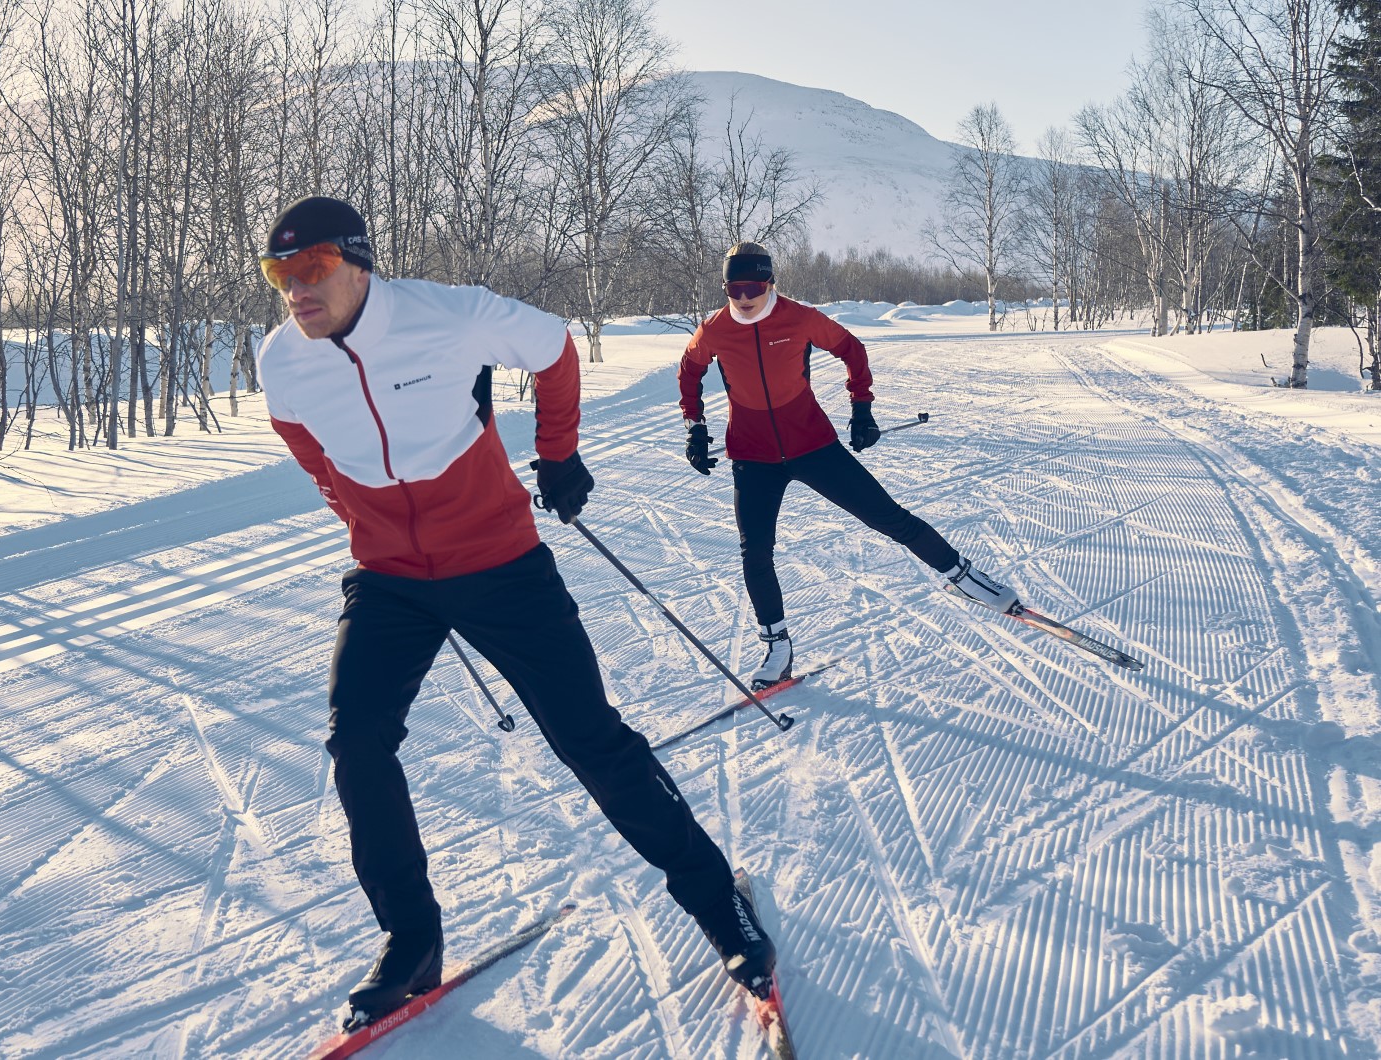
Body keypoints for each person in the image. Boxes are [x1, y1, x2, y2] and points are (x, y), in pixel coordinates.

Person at [257, 197, 775, 1030]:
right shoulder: (283, 360)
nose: (295, 291)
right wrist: (361, 518)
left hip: (500, 565)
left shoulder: (447, 315)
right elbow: (309, 447)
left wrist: (559, 452)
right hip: (389, 577)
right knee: (356, 739)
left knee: (592, 743)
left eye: (310, 269)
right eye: (279, 275)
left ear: (358, 264)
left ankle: (722, 909)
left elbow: (554, 347)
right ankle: (411, 942)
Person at [679, 241, 1021, 690]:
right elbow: (689, 369)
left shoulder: (798, 318)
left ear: (770, 283)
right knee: (755, 552)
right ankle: (777, 646)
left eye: (753, 286)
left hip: (813, 445)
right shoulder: (715, 329)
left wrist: (862, 407)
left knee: (888, 517)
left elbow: (851, 349)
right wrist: (695, 427)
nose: (744, 296)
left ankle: (962, 575)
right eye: (733, 287)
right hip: (752, 455)